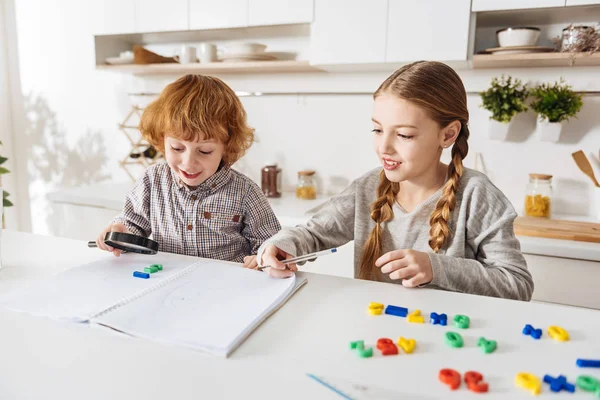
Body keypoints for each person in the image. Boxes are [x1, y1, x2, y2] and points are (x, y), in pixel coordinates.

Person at [256, 61, 533, 301]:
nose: (383, 147)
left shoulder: (476, 194)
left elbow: (517, 284)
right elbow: (314, 233)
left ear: (448, 135)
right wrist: (281, 247)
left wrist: (436, 268)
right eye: (377, 129)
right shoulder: (367, 188)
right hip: (377, 334)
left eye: (404, 135)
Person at [96, 74, 280, 268]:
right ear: (162, 139)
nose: (188, 162)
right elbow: (133, 223)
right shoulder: (153, 180)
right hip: (168, 282)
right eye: (177, 148)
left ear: (226, 146)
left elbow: (271, 243)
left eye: (204, 151)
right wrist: (119, 232)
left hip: (224, 287)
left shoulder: (245, 192)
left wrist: (263, 256)